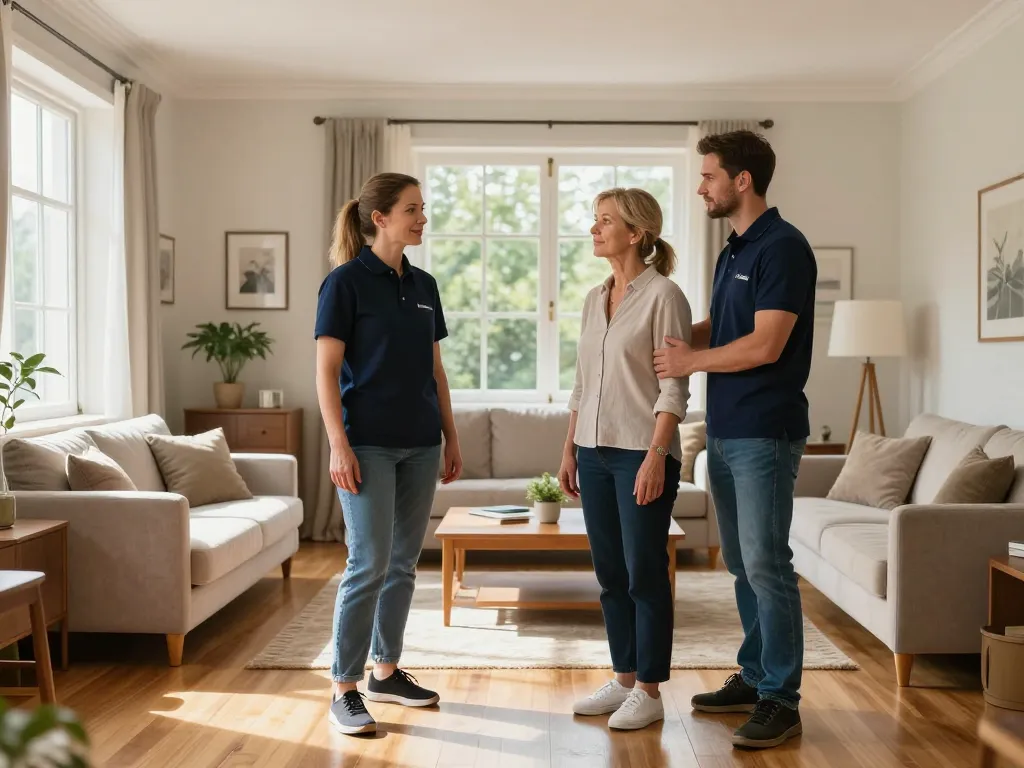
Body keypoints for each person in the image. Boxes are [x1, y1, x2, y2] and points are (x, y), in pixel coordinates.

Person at [653, 130, 816, 750]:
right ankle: (754, 677)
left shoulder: (784, 247)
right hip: (724, 429)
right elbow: (723, 328)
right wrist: (667, 338)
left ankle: (781, 700)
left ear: (741, 180)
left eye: (708, 176)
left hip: (765, 431)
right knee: (743, 563)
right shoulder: (734, 249)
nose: (701, 187)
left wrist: (690, 362)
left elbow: (766, 344)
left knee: (768, 564)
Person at [314, 172, 463, 736]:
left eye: (422, 208)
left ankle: (386, 672)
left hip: (421, 442)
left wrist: (451, 436)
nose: (422, 218)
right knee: (368, 563)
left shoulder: (425, 285)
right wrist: (338, 445)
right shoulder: (344, 284)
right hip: (366, 443)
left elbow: (436, 370)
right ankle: (344, 688)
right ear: (380, 218)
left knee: (403, 563)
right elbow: (326, 372)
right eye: (412, 209)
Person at [557, 187, 692, 732]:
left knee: (644, 573)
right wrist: (569, 450)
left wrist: (657, 455)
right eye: (595, 219)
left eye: (605, 221)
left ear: (636, 233)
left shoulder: (664, 296)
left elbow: (674, 387)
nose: (594, 229)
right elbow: (582, 383)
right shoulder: (595, 298)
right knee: (610, 574)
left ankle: (650, 691)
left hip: (642, 451)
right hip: (592, 452)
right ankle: (623, 677)